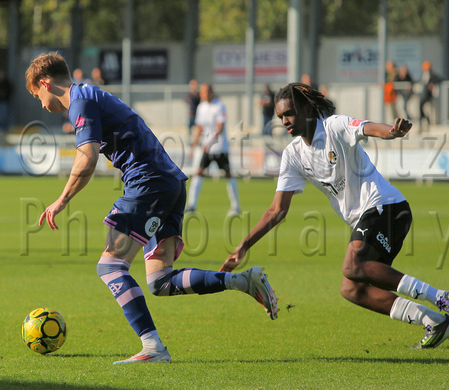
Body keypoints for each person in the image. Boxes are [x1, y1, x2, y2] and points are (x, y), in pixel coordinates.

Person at [25, 52, 278, 364]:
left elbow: (86, 157)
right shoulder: (90, 94)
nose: (41, 104)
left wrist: (61, 200)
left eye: (37, 95)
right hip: (169, 182)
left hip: (148, 184)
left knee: (110, 267)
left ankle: (153, 347)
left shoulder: (80, 100)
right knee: (161, 281)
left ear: (45, 83)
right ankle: (242, 281)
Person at [221, 82, 449, 349]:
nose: (285, 121)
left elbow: (368, 128)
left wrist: (393, 132)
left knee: (352, 265)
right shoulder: (293, 155)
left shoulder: (333, 127)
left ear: (306, 108)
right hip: (368, 219)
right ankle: (435, 321)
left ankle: (443, 297)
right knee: (351, 288)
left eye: (289, 113)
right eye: (280, 116)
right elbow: (277, 209)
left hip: (386, 207)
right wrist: (244, 245)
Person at [187, 83, 240, 215]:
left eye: (204, 91)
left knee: (228, 175)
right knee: (198, 173)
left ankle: (236, 206)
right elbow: (199, 127)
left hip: (220, 147)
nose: (202, 94)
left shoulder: (219, 105)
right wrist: (193, 144)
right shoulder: (201, 107)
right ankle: (191, 205)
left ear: (210, 92)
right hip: (207, 148)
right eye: (201, 92)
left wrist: (208, 143)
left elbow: (220, 128)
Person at [419, 61, 440, 132]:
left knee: (424, 107)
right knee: (421, 108)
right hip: (423, 94)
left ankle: (426, 120)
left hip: (428, 95)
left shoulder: (432, 75)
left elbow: (439, 79)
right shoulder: (423, 74)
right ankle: (424, 120)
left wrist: (432, 84)